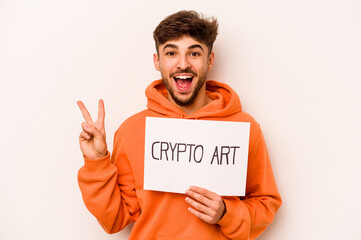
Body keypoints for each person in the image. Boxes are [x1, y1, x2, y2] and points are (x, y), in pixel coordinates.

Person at [77, 10, 282, 240]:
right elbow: (115, 219)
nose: (182, 64)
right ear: (157, 61)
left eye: (194, 53)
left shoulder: (244, 129)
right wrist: (96, 162)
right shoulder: (132, 131)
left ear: (210, 60)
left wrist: (227, 213)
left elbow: (266, 205)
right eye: (171, 52)